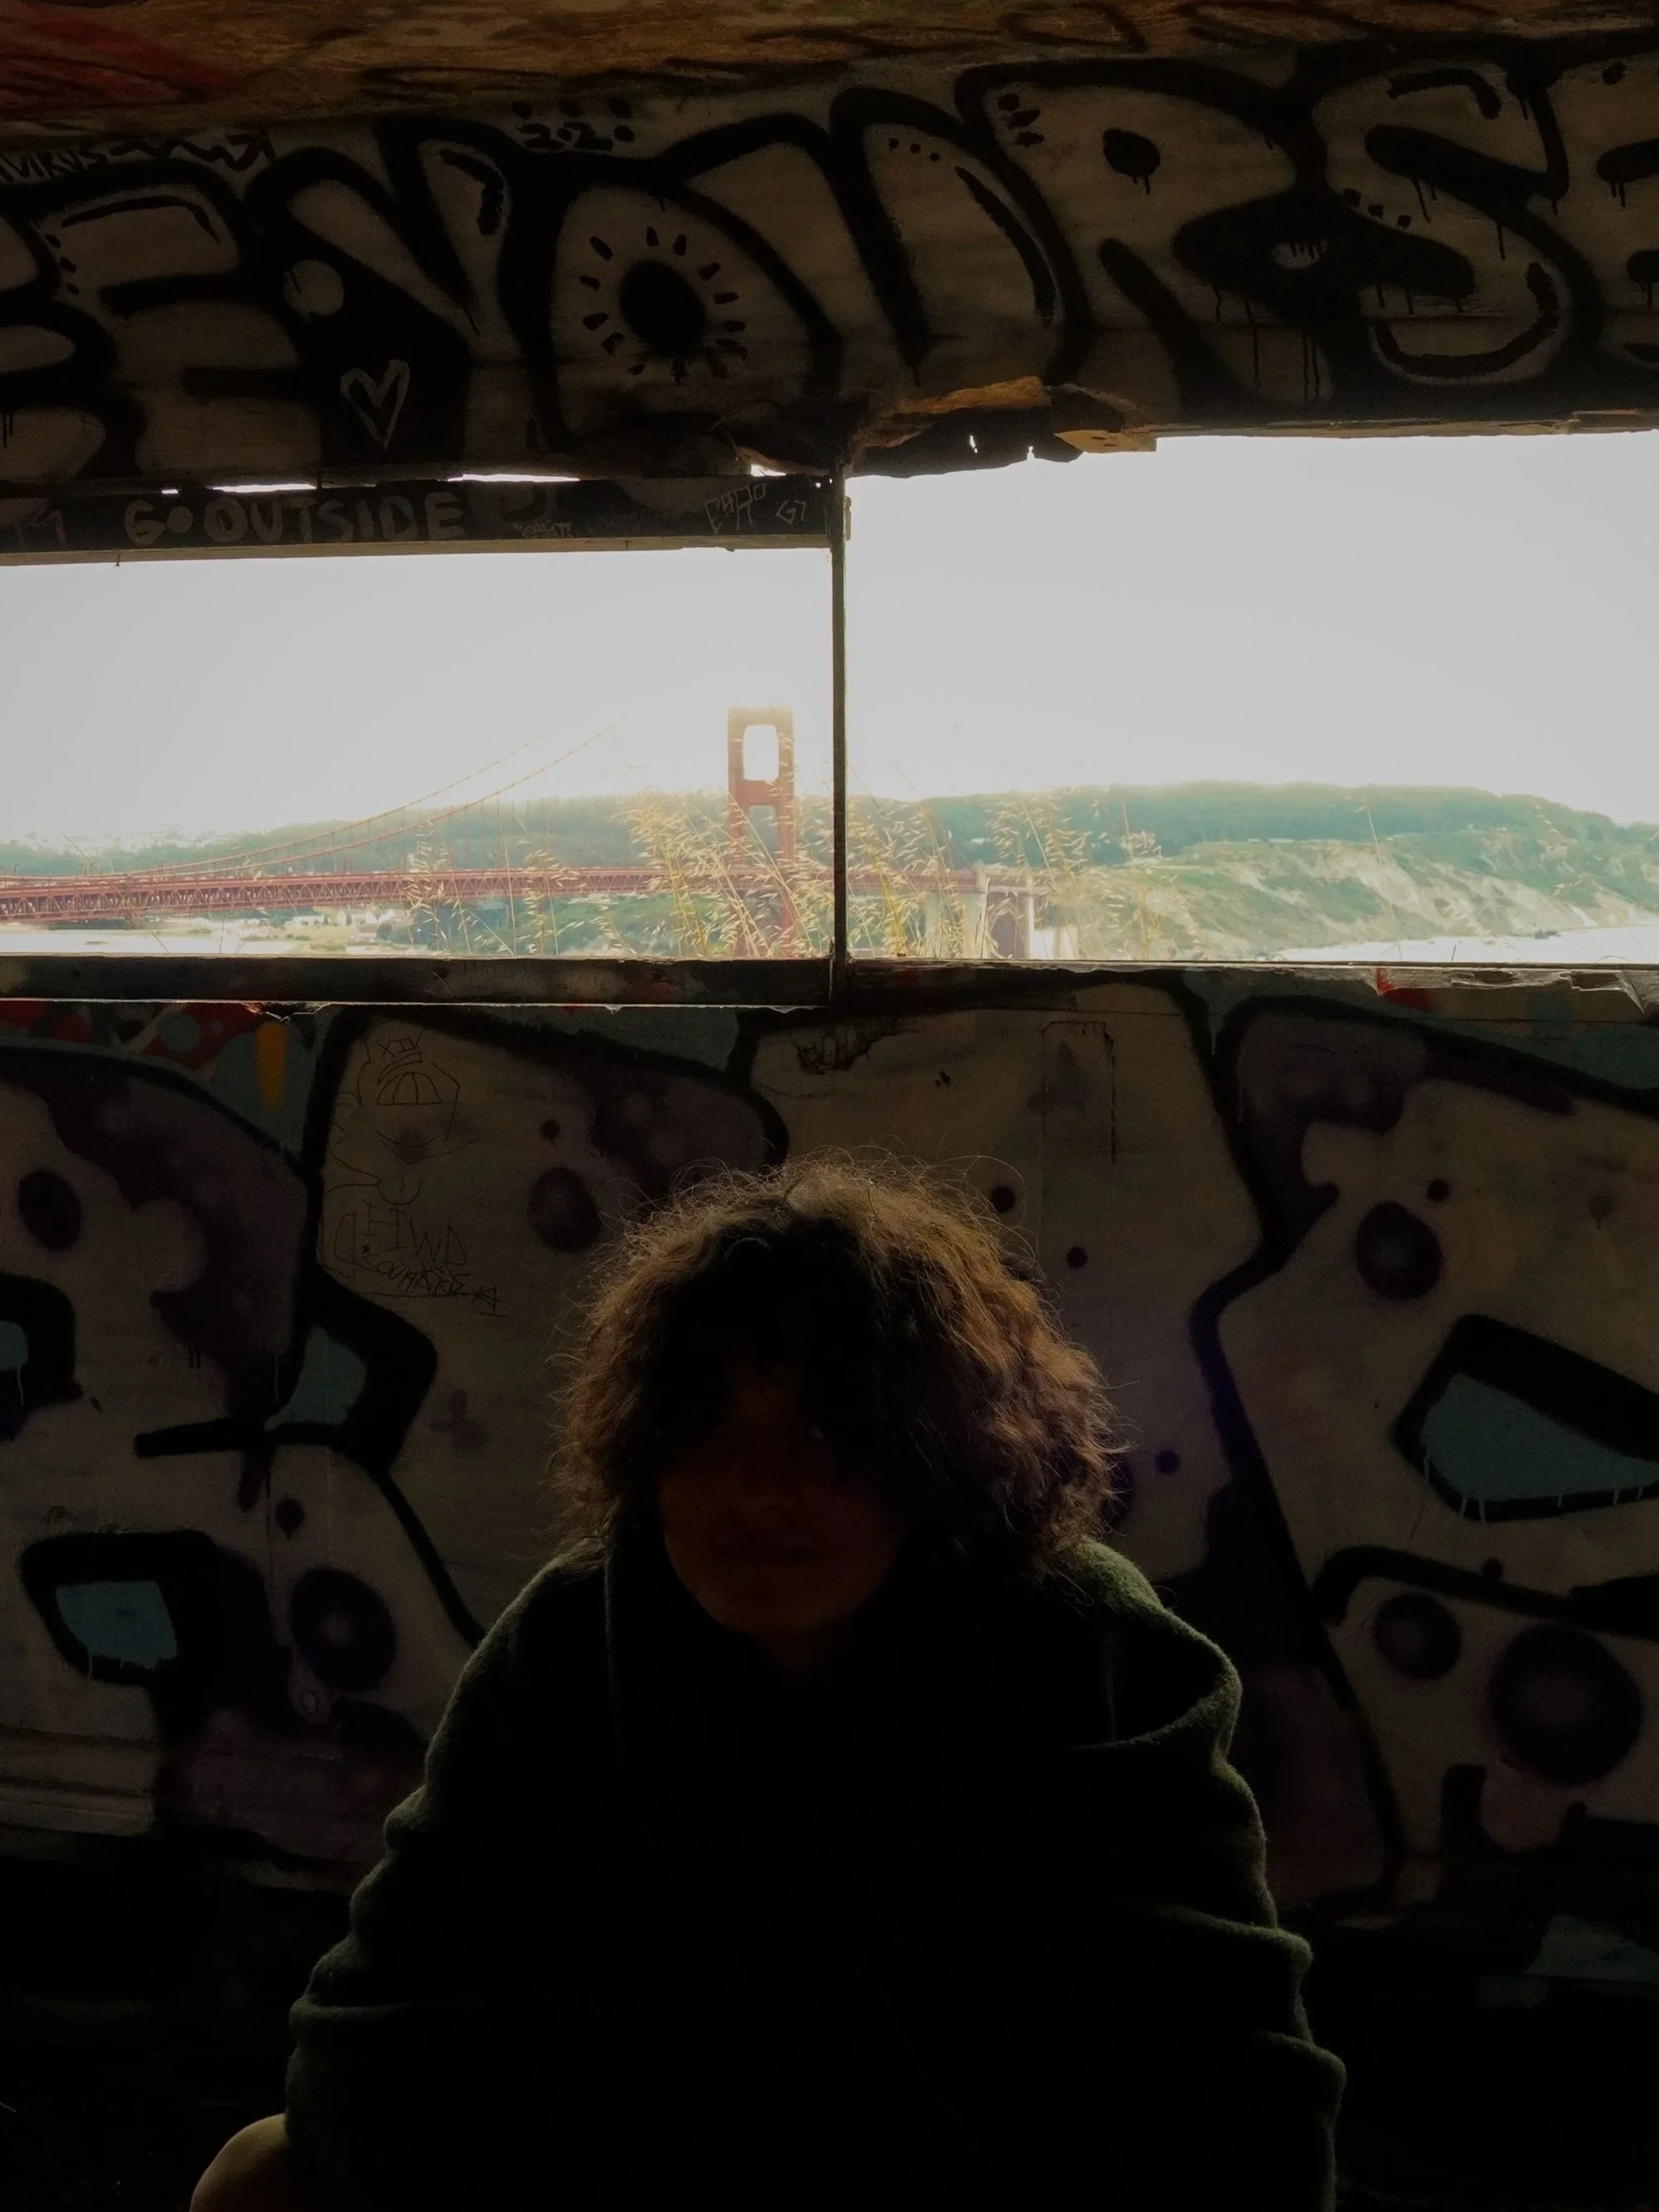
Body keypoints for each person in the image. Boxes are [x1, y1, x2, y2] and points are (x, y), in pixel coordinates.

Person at [193, 1154, 1344, 2212]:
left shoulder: (1091, 1658)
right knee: (258, 2177)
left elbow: (1235, 2104)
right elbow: (382, 2019)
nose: (757, 1491)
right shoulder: (579, 1643)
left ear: (936, 1459)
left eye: (828, 1436)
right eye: (707, 1432)